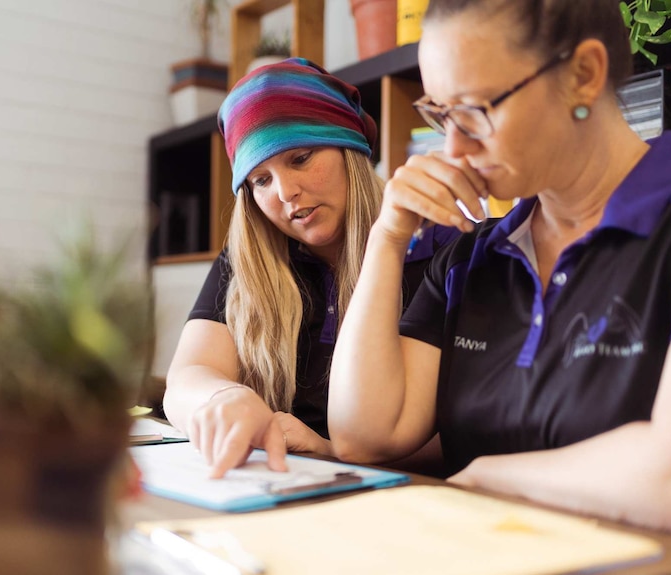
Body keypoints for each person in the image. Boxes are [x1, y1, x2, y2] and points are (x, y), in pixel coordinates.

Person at [328, 0, 671, 536]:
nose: (454, 147)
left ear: (583, 76)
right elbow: (366, 434)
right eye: (442, 114)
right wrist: (387, 236)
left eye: (475, 110)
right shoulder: (472, 255)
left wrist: (491, 478)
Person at [163, 58, 459, 478]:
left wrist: (331, 450)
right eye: (261, 180)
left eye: (300, 158)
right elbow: (187, 378)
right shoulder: (249, 258)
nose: (286, 192)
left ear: (350, 150)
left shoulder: (438, 249)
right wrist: (222, 398)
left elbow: (463, 432)